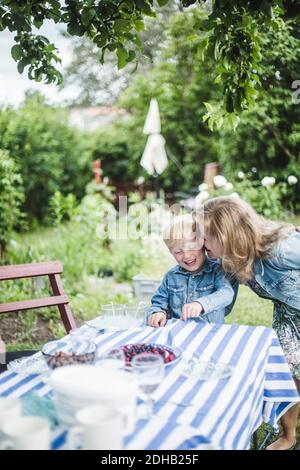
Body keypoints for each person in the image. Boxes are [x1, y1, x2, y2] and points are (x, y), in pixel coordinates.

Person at [202, 196, 300, 450]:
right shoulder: (231, 260)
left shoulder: (281, 249)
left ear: (225, 235)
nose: (200, 244)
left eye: (204, 236)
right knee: (287, 370)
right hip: (289, 313)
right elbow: (224, 301)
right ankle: (288, 437)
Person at [147, 213, 234, 327]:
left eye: (192, 247)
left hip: (211, 333)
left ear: (203, 245)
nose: (186, 255)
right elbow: (159, 302)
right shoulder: (171, 277)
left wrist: (201, 304)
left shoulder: (216, 270)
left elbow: (226, 294)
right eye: (178, 252)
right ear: (171, 253)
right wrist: (157, 312)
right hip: (179, 334)